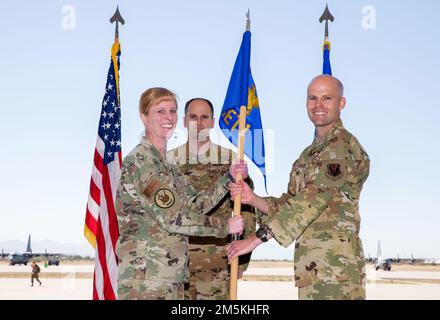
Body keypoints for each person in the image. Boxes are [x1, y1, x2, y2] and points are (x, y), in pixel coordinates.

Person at [227, 75, 370, 300]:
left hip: (336, 271)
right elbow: (291, 201)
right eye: (312, 98)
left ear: (341, 103)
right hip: (314, 269)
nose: (318, 105)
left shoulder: (341, 147)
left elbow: (311, 201)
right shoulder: (308, 155)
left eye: (327, 98)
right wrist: (253, 199)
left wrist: (256, 240)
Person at [115, 87, 247, 300]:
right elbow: (172, 218)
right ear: (143, 116)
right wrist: (224, 226)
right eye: (160, 111)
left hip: (170, 276)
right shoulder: (142, 163)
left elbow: (193, 205)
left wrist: (228, 179)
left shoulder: (168, 165)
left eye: (172, 111)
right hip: (147, 278)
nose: (168, 117)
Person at [168, 98, 256, 300]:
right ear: (183, 121)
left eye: (204, 117)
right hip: (176, 262)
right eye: (193, 117)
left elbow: (247, 211)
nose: (198, 123)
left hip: (218, 262)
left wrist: (242, 260)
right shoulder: (169, 161)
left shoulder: (230, 161)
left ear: (212, 122)